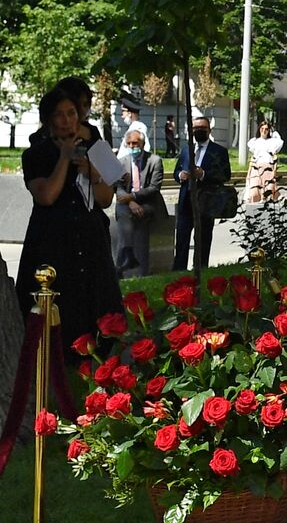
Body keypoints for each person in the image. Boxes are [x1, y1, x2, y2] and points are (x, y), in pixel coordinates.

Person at [14, 87, 122, 349]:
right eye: (59, 115)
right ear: (49, 119)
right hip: (53, 239)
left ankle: (99, 349)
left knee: (95, 296)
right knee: (58, 300)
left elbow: (105, 198)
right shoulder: (36, 154)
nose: (67, 120)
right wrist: (64, 158)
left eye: (72, 113)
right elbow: (47, 195)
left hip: (89, 237)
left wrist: (92, 170)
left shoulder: (94, 147)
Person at [173, 116, 231, 272]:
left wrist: (203, 174)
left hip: (206, 202)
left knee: (203, 240)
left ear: (209, 130)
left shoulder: (219, 151)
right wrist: (180, 175)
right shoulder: (186, 149)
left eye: (202, 129)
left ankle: (200, 270)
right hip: (186, 201)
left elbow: (225, 175)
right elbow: (176, 171)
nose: (198, 131)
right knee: (182, 240)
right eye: (195, 128)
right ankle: (178, 271)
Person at [113, 129, 166, 278]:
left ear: (142, 143)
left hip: (147, 203)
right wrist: (131, 201)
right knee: (125, 217)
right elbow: (118, 187)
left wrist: (133, 196)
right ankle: (125, 264)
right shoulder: (122, 161)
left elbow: (154, 188)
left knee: (138, 221)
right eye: (128, 143)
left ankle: (137, 270)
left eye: (135, 143)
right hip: (127, 204)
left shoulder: (154, 161)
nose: (132, 146)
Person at [245, 120, 283, 204]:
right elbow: (253, 158)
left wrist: (274, 171)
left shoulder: (272, 142)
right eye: (262, 128)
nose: (264, 131)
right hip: (257, 168)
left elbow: (275, 158)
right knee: (254, 192)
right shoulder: (255, 142)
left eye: (266, 129)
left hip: (268, 167)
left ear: (269, 130)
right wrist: (249, 173)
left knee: (268, 191)